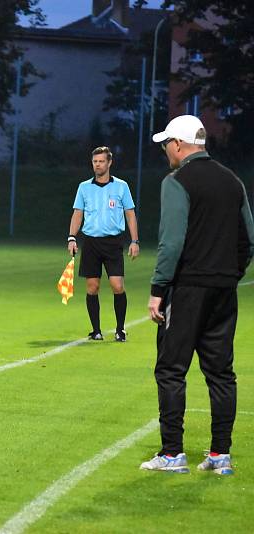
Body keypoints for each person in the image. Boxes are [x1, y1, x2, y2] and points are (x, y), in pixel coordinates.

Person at [139, 115, 254, 474]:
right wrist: (229, 274)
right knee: (221, 372)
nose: (165, 152)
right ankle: (220, 454)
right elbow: (248, 239)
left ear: (178, 144)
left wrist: (159, 290)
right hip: (223, 290)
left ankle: (172, 453)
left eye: (166, 145)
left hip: (187, 290)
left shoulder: (176, 181)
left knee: (171, 369)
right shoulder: (232, 181)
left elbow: (171, 242)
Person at [67, 146, 139, 341]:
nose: (97, 165)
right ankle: (96, 330)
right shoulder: (84, 187)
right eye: (95, 162)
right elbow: (77, 213)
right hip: (91, 242)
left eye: (101, 161)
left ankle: (120, 329)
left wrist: (134, 240)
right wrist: (72, 237)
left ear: (109, 163)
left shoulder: (121, 186)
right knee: (92, 287)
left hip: (113, 242)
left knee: (117, 285)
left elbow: (130, 213)